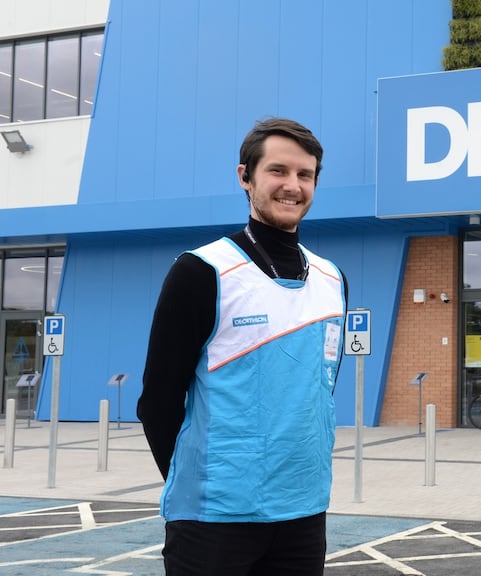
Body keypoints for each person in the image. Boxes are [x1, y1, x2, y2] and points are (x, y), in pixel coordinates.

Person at [137, 117, 347, 575]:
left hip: (304, 512)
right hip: (214, 521)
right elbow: (157, 401)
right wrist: (198, 483)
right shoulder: (201, 271)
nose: (292, 186)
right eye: (278, 171)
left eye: (305, 175)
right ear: (245, 177)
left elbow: (318, 391)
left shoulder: (333, 280)